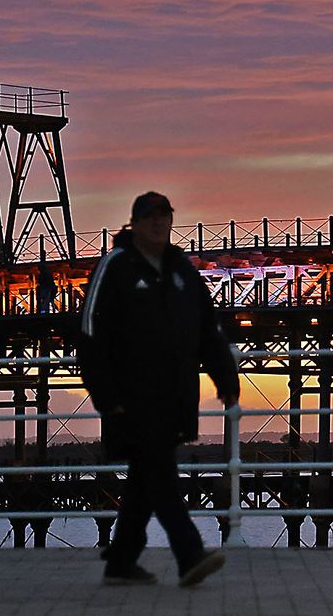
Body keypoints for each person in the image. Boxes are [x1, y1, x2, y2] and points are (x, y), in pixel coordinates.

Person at [78, 191, 239, 587]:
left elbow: (207, 329)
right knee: (162, 476)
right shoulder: (115, 266)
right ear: (133, 223)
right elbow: (90, 333)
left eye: (163, 216)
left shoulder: (183, 270)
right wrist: (105, 396)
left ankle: (121, 561)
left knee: (144, 480)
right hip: (130, 397)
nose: (157, 223)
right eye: (149, 217)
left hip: (175, 395)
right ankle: (189, 554)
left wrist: (226, 379)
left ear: (171, 221)